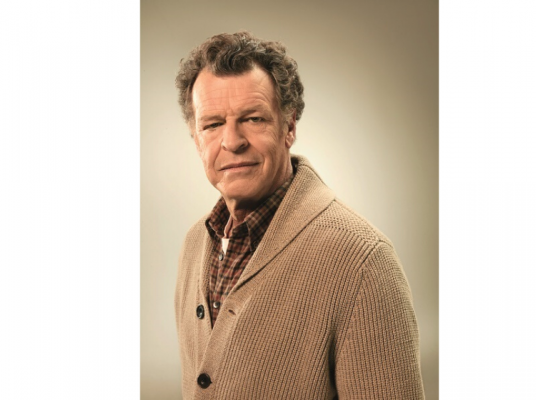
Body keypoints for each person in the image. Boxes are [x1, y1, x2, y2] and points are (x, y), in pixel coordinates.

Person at [174, 31, 425, 399]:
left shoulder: (363, 261)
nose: (232, 141)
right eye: (212, 125)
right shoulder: (195, 243)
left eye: (253, 119)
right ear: (197, 139)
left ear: (288, 126)